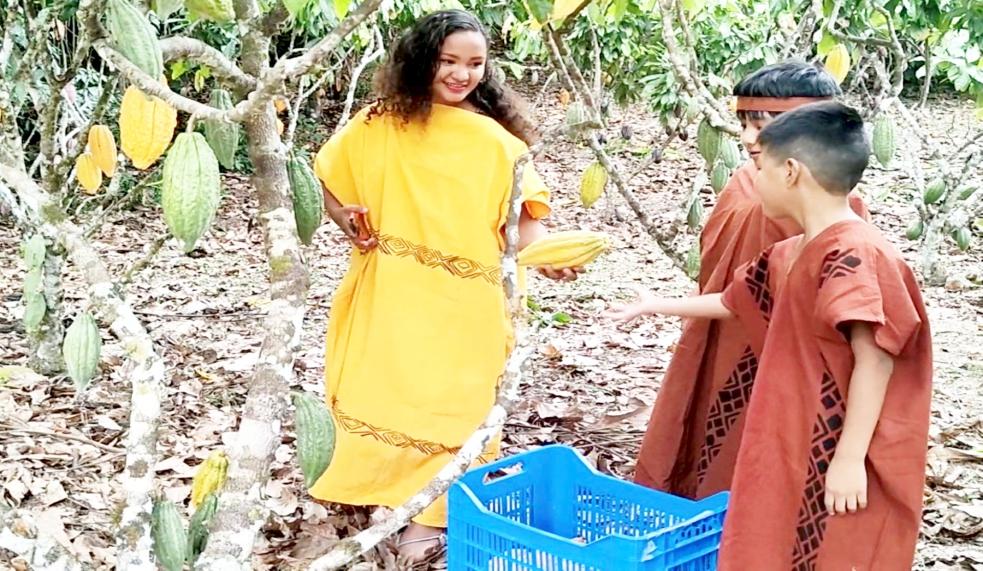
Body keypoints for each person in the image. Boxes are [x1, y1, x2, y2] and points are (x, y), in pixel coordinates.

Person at [606, 101, 932, 569]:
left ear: (791, 172)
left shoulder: (854, 254)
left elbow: (875, 359)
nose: (753, 179)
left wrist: (849, 458)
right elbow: (733, 301)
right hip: (788, 431)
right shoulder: (791, 252)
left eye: (761, 167)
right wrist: (653, 304)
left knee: (831, 549)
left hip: (836, 440)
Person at [308, 9, 579, 564]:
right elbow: (327, 177)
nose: (462, 74)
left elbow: (522, 225)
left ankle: (430, 518)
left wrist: (550, 259)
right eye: (448, 60)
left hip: (467, 306)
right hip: (392, 293)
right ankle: (381, 492)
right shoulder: (377, 124)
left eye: (475, 63)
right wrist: (343, 217)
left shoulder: (497, 143)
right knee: (385, 392)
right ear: (420, 60)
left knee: (457, 409)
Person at [633, 61, 870, 499]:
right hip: (717, 331)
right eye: (744, 123)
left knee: (757, 461)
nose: (747, 137)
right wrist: (659, 305)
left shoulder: (836, 209)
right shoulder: (747, 180)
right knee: (698, 437)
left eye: (762, 125)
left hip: (781, 356)